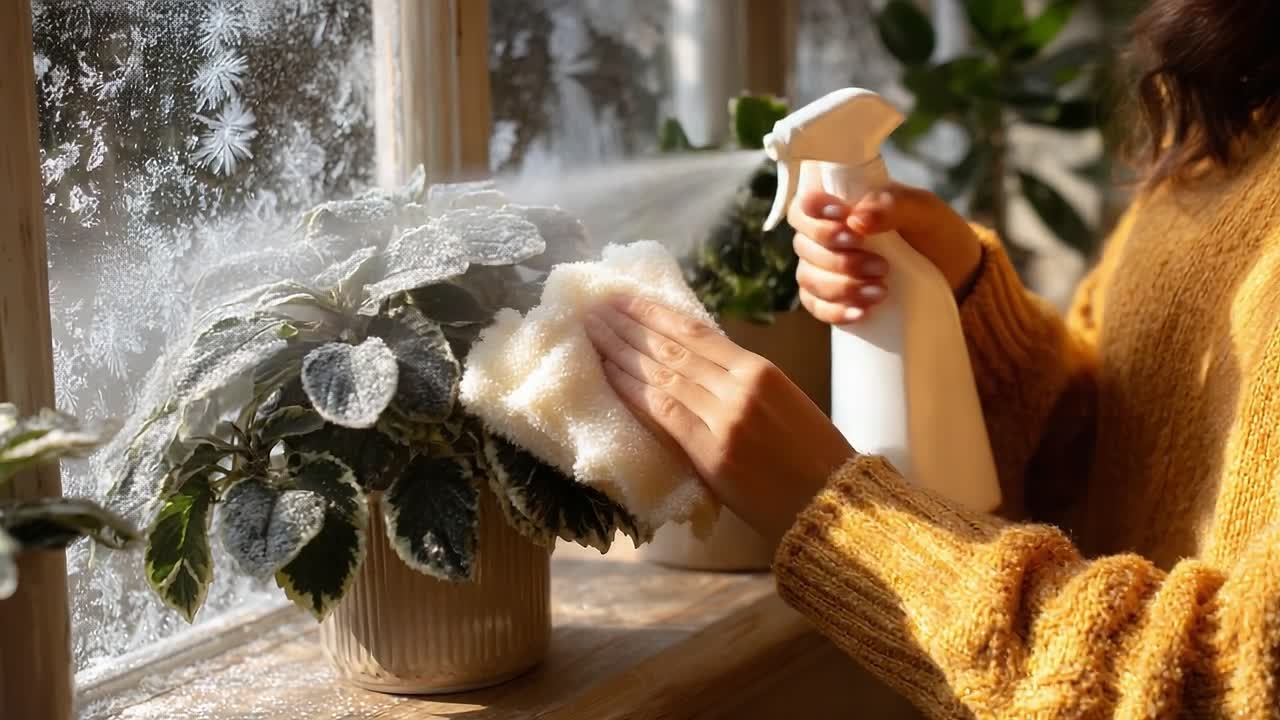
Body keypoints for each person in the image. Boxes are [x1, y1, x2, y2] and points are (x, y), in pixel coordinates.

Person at [583, 1, 1280, 716]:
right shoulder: (1240, 108)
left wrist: (842, 521)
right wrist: (968, 310)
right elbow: (1116, 468)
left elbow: (1221, 687)